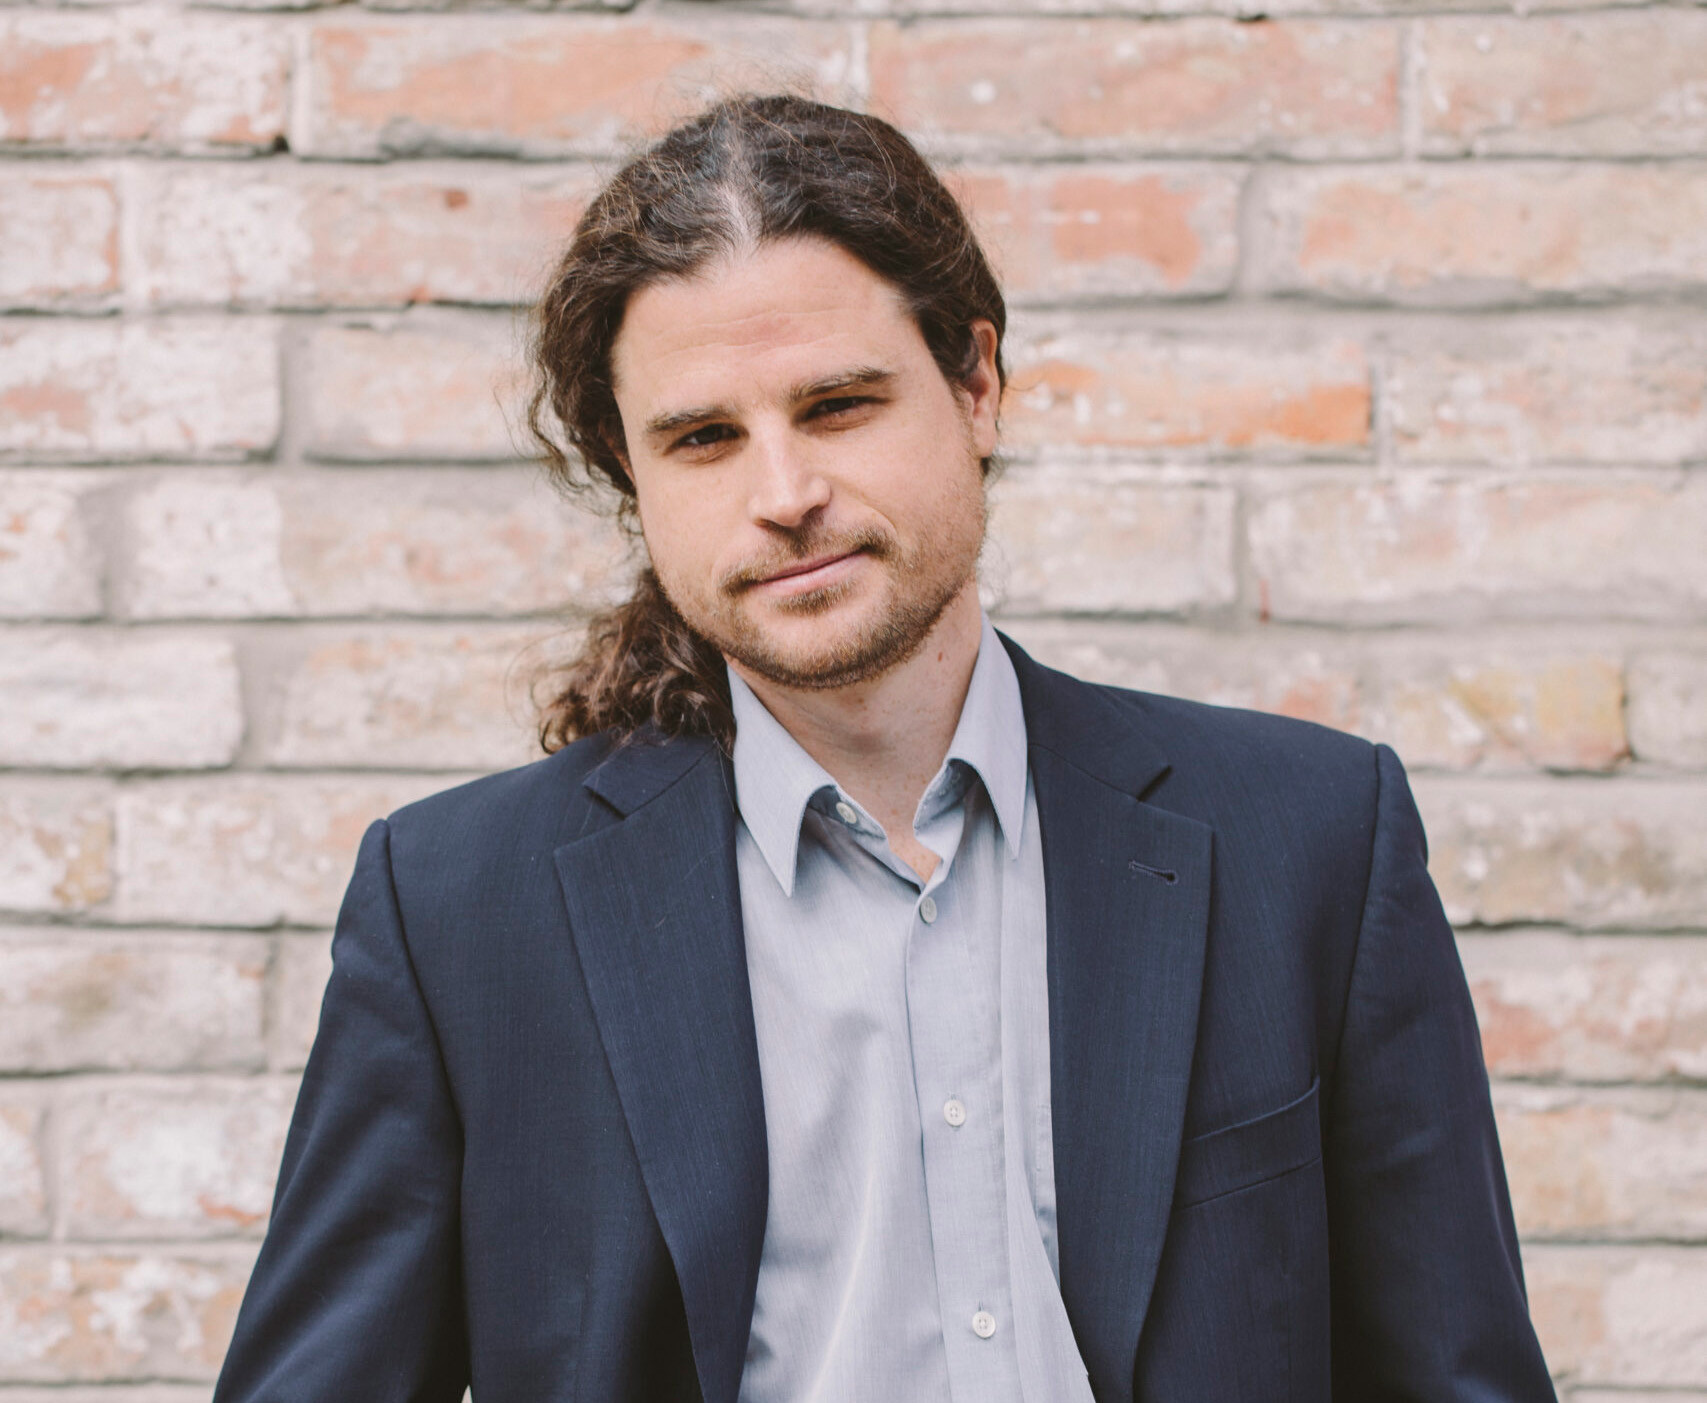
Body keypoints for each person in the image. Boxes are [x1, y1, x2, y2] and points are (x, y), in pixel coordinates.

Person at [213, 95, 1556, 1403]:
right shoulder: (456, 911)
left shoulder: (1311, 842)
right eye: (704, 438)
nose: (785, 494)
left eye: (841, 405)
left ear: (976, 387)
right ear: (633, 477)